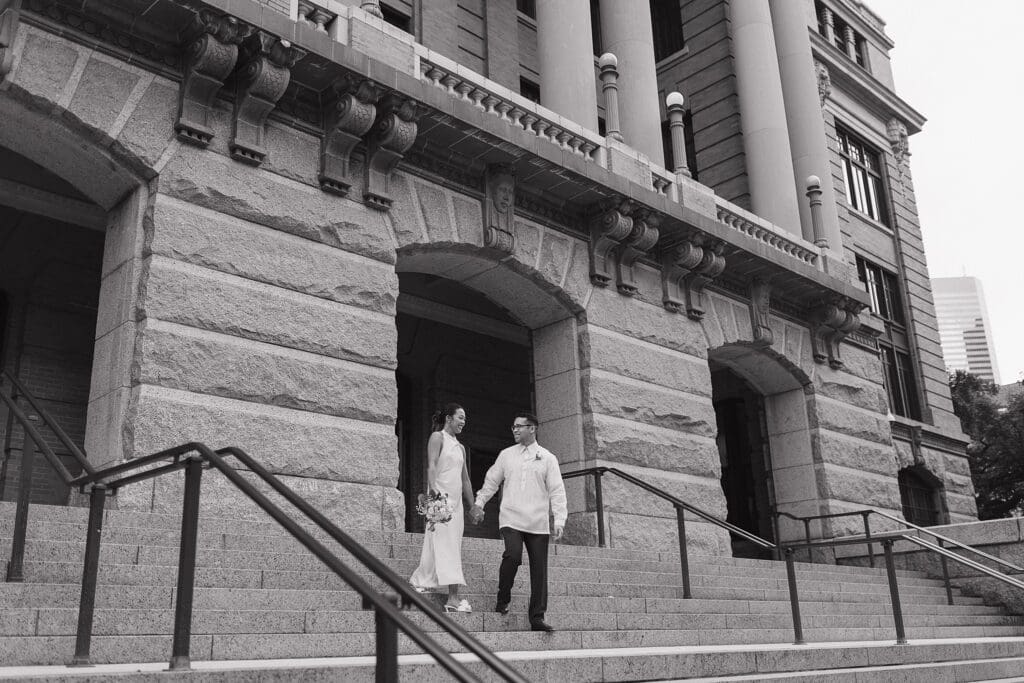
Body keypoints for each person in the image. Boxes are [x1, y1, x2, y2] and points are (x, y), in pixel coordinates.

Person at [469, 411, 567, 632]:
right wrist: (480, 502)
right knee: (512, 555)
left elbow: (557, 491)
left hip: (538, 523)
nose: (514, 430)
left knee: (539, 571)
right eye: (513, 427)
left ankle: (537, 618)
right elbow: (491, 481)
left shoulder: (548, 458)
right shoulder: (506, 455)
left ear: (531, 429)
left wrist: (559, 519)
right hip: (511, 517)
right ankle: (503, 598)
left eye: (519, 426)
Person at [410, 403, 475, 613]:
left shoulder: (461, 447)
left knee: (446, 542)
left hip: (456, 504)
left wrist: (473, 506)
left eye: (465, 419)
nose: (463, 422)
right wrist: (434, 494)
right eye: (460, 417)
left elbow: (465, 480)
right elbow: (431, 465)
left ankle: (423, 579)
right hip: (440, 499)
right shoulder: (437, 438)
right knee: (447, 544)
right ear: (449, 418)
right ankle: (453, 598)